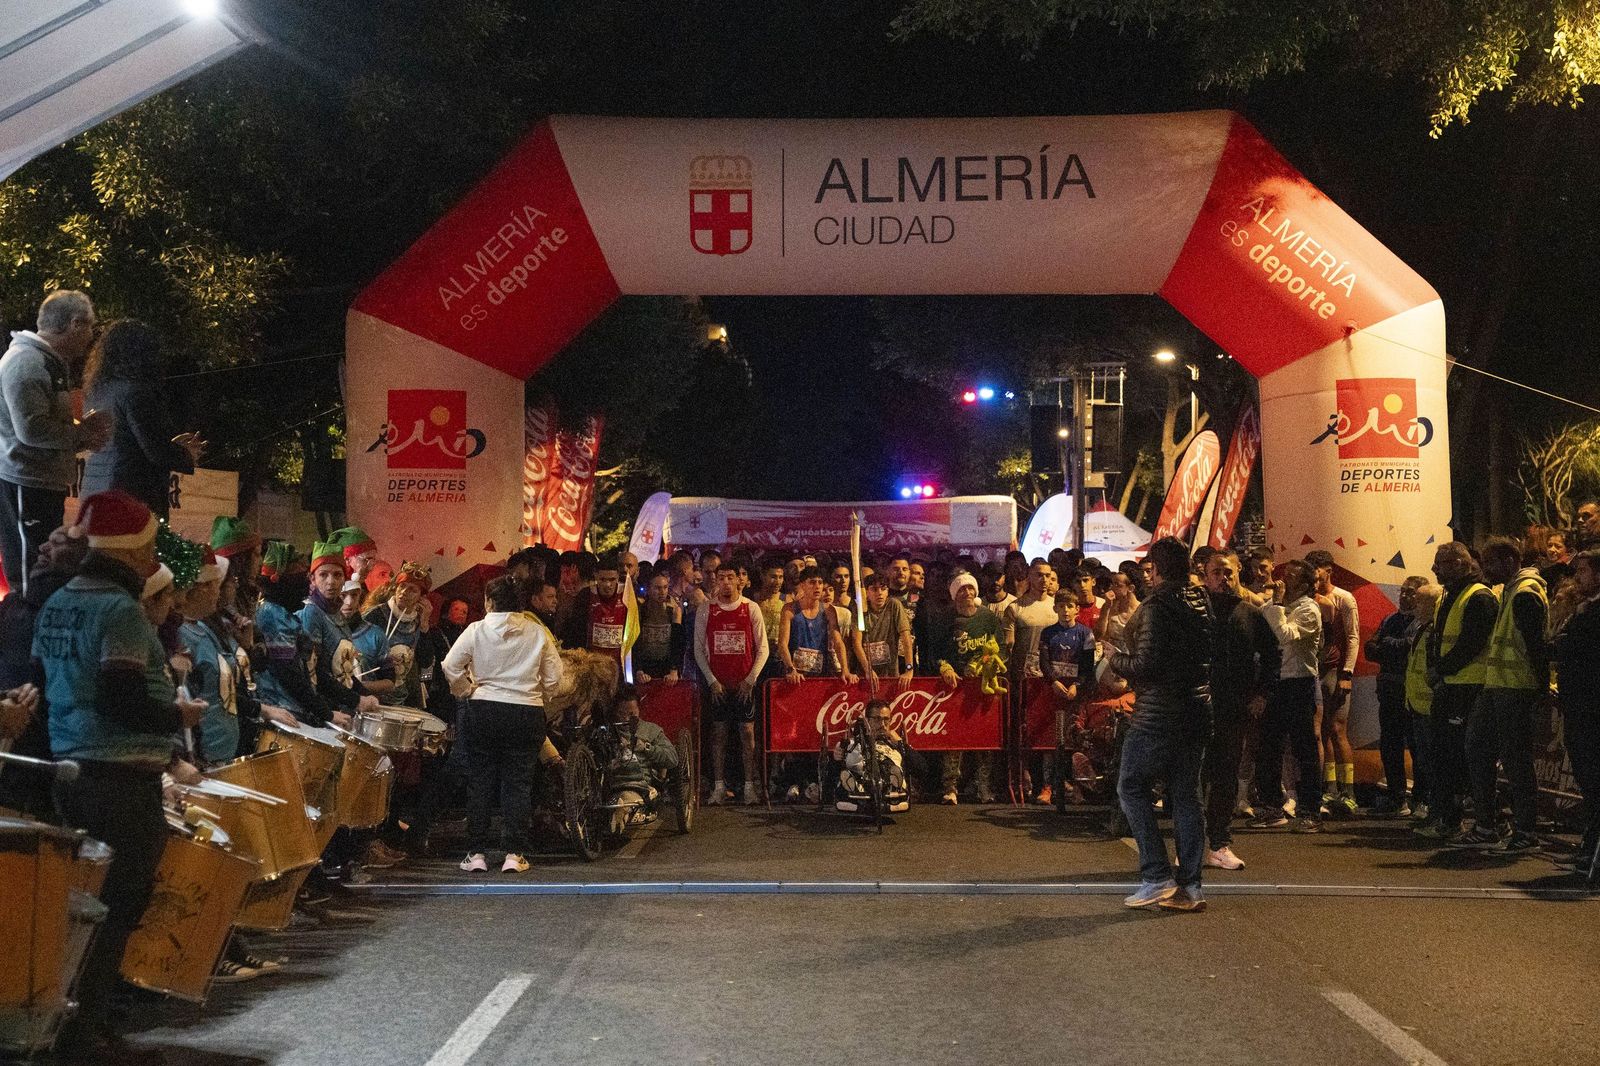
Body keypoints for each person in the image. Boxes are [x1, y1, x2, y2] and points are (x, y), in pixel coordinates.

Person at [33, 490, 206, 1060]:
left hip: (72, 771)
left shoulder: (59, 600)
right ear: (130, 550)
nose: (152, 554)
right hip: (118, 778)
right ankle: (87, 1038)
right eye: (149, 544)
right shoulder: (119, 609)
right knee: (114, 912)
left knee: (80, 911)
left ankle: (69, 1028)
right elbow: (120, 698)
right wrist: (174, 716)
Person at [1110, 537, 1214, 912]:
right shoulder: (1202, 602)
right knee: (1187, 797)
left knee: (1131, 787)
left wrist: (1115, 658)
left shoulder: (1157, 607)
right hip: (1197, 710)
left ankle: (1156, 875)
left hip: (1158, 714)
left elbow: (1146, 666)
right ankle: (1191, 887)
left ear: (1155, 569)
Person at [443, 574, 564, 874]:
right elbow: (555, 679)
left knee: (480, 781)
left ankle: (476, 853)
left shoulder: (475, 630)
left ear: (488, 602)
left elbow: (450, 665)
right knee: (518, 784)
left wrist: (466, 690)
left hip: (483, 712)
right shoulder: (537, 633)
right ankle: (514, 853)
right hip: (526, 714)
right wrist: (539, 695)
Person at [0, 290, 112, 593]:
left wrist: (82, 431)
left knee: (43, 563)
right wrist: (81, 434)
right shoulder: (27, 362)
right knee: (30, 569)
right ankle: (25, 634)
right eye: (91, 327)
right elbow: (31, 430)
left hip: (40, 481)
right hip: (26, 480)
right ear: (75, 323)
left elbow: (45, 427)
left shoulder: (47, 361)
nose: (92, 337)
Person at [1453, 538, 1547, 852]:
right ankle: (1488, 824)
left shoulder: (1524, 594)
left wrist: (1540, 688)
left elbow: (1536, 647)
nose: (1485, 570)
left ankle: (1525, 832)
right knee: (1477, 748)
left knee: (1516, 760)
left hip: (1516, 688)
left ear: (1509, 561)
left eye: (1491, 563)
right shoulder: (1506, 591)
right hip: (1496, 687)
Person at [0, 522, 86, 818]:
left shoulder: (84, 616)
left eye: (58, 542)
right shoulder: (12, 605)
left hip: (51, 769)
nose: (42, 548)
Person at [78, 319, 203, 516]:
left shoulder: (97, 391)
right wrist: (185, 453)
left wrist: (170, 445)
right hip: (128, 495)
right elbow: (155, 450)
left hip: (94, 490)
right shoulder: (136, 392)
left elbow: (124, 440)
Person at [1201, 550, 1278, 871]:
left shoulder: (1250, 614)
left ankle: (1219, 844)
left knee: (1225, 776)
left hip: (1233, 708)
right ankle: (1189, 845)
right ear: (1205, 576)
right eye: (1216, 572)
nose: (1223, 578)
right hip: (1194, 707)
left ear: (1238, 573)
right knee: (1191, 778)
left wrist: (1262, 693)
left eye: (1228, 572)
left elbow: (1273, 657)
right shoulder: (1194, 613)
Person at [1420, 542, 1497, 841]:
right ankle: (1448, 819)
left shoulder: (1478, 596)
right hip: (1449, 685)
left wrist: (1441, 669)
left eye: (1440, 563)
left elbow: (1471, 643)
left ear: (1459, 564)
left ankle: (1470, 822)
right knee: (1443, 756)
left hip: (1468, 686)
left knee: (1462, 758)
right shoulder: (1449, 596)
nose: (1434, 569)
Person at [1251, 559, 1325, 834]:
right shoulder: (1278, 605)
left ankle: (1311, 811)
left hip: (1299, 684)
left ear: (1305, 584)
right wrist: (1275, 603)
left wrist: (1278, 604)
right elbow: (1262, 618)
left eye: (1291, 576)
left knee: (1303, 749)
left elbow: (1284, 635)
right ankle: (1272, 807)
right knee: (1269, 747)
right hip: (1275, 683)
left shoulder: (1309, 610)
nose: (1283, 579)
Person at [694, 561, 769, 806]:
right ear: (716, 580)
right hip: (718, 685)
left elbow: (763, 648)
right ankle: (718, 786)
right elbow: (697, 649)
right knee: (718, 735)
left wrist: (750, 680)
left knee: (748, 734)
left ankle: (749, 787)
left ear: (740, 580)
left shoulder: (751, 608)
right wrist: (712, 681)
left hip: (744, 685)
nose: (726, 582)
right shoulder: (706, 609)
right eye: (721, 577)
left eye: (730, 577)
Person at [930, 571, 1002, 804]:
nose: (968, 593)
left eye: (971, 588)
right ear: (954, 594)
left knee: (985, 738)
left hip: (982, 686)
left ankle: (984, 786)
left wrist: (983, 666)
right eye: (962, 589)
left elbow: (999, 648)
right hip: (955, 687)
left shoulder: (988, 617)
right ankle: (950, 787)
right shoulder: (944, 618)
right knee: (954, 739)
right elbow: (934, 653)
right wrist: (945, 667)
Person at [1552, 550, 1600, 877]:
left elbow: (1574, 648)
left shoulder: (1594, 613)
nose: (1577, 578)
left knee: (1594, 780)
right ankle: (1590, 842)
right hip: (1578, 705)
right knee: (1587, 779)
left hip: (1591, 707)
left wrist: (1562, 643)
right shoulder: (1583, 609)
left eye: (1582, 571)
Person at [1366, 576, 1428, 815]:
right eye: (1403, 591)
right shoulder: (1390, 618)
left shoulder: (1422, 622)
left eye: (1411, 592)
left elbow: (1408, 649)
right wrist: (1391, 646)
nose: (1404, 596)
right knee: (1390, 745)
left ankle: (1421, 798)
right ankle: (1396, 796)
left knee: (1417, 746)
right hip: (1388, 690)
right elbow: (1371, 649)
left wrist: (1387, 646)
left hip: (1411, 692)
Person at [1305, 549, 1361, 817]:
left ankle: (1348, 792)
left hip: (1334, 671)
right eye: (1311, 569)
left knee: (1338, 729)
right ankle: (1328, 788)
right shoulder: (1308, 599)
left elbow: (1352, 637)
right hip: (1313, 671)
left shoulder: (1344, 599)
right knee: (1320, 732)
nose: (1315, 574)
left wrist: (1346, 674)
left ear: (1329, 570)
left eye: (1319, 569)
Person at [1039, 589, 1096, 804]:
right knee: (1049, 741)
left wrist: (1077, 685)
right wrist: (1053, 680)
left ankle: (1080, 788)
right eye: (1061, 606)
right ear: (1055, 609)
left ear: (1077, 610)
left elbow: (1088, 666)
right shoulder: (1048, 633)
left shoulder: (1086, 633)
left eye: (1069, 606)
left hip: (1076, 693)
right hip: (1053, 691)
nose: (1065, 611)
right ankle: (1048, 786)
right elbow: (1043, 662)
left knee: (1078, 739)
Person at [600, 684, 680, 832]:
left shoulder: (650, 730)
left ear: (638, 710)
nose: (625, 718)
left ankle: (621, 813)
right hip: (611, 781)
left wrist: (646, 748)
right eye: (621, 713)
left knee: (626, 796)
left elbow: (672, 759)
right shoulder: (607, 731)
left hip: (640, 782)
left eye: (631, 714)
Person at [1404, 583, 1443, 826]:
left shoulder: (1434, 631)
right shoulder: (1422, 628)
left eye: (1420, 601)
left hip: (1429, 706)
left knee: (1432, 761)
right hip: (1416, 704)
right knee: (1421, 760)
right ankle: (1425, 803)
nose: (1414, 605)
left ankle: (1433, 807)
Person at [831, 698, 911, 813]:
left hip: (888, 781)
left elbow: (922, 769)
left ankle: (895, 786)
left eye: (886, 719)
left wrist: (901, 744)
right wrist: (836, 759)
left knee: (892, 768)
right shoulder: (852, 743)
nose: (882, 724)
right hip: (863, 778)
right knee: (851, 771)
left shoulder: (896, 744)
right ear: (867, 721)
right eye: (877, 719)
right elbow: (831, 774)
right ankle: (856, 788)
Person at [562, 551, 629, 665]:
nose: (608, 585)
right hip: (591, 663)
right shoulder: (585, 595)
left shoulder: (627, 595)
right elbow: (576, 630)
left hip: (620, 664)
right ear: (596, 575)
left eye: (612, 580)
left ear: (618, 576)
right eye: (603, 580)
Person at [857, 571, 914, 692]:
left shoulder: (894, 605)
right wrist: (868, 670)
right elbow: (856, 643)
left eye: (883, 589)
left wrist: (909, 669)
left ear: (888, 591)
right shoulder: (860, 609)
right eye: (874, 589)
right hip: (867, 677)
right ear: (866, 592)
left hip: (891, 675)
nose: (879, 593)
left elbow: (906, 637)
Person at [633, 570, 685, 684]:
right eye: (657, 588)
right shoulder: (641, 610)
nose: (662, 592)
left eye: (665, 587)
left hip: (666, 666)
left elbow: (677, 642)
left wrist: (674, 670)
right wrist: (639, 669)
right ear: (648, 589)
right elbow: (636, 642)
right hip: (646, 664)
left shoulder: (674, 610)